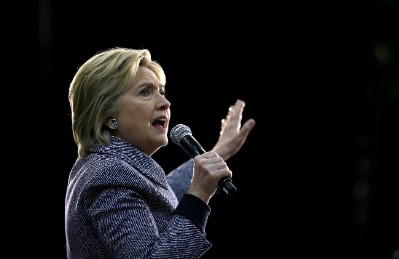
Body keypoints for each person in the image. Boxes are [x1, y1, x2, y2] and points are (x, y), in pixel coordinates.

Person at [65, 47, 256, 258]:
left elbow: (162, 195)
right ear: (107, 114)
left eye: (161, 91)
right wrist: (199, 195)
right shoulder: (110, 176)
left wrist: (220, 150)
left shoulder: (104, 166)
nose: (165, 103)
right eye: (145, 92)